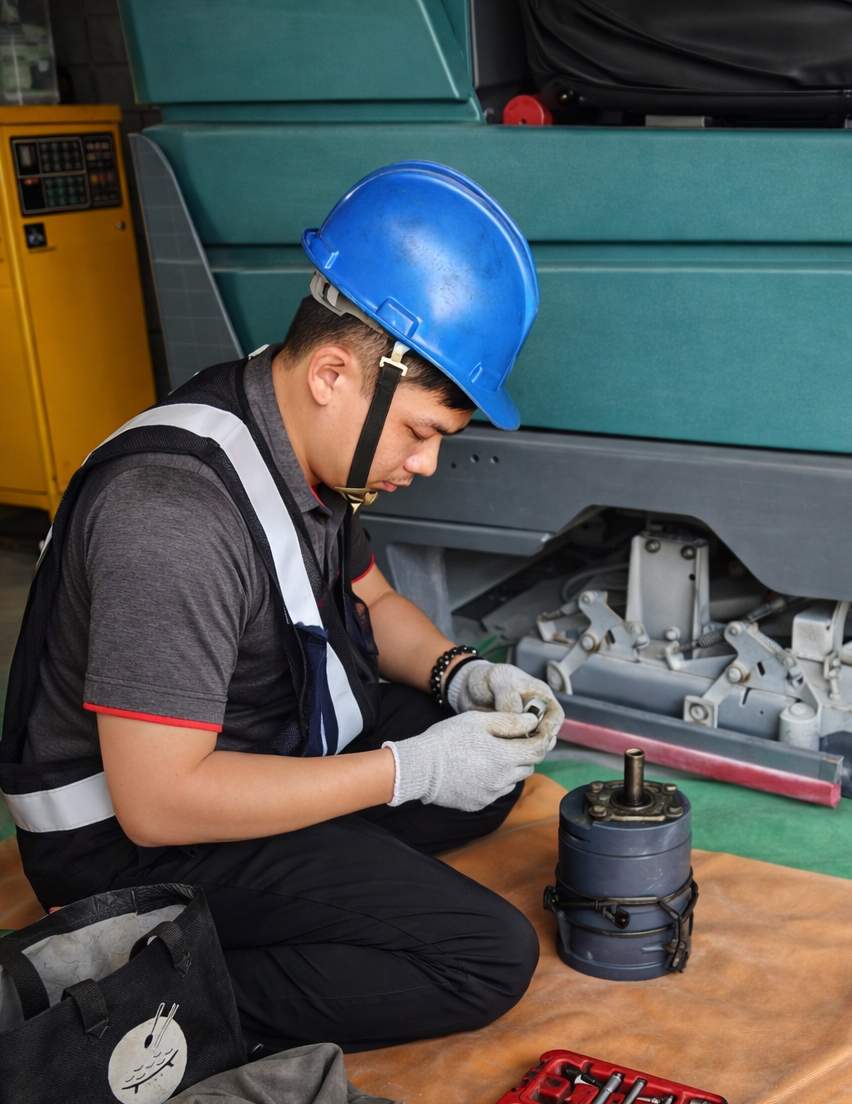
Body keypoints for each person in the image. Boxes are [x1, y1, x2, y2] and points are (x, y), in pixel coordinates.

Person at [1, 160, 563, 1056]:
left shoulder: (298, 434)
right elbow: (157, 803)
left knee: (485, 784)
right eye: (421, 433)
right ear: (335, 372)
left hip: (258, 737)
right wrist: (410, 771)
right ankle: (135, 1003)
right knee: (484, 956)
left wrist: (461, 679)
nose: (425, 464)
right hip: (131, 841)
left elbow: (368, 597)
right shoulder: (171, 516)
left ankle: (327, 868)